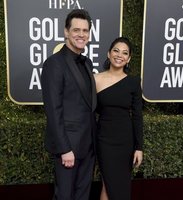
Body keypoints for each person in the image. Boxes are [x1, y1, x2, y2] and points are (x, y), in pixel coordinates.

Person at [41, 9, 97, 200]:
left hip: (89, 145)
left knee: (83, 195)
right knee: (64, 196)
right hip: (68, 147)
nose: (81, 35)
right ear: (66, 32)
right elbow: (53, 110)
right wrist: (65, 149)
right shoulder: (54, 64)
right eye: (76, 30)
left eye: (85, 30)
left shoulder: (87, 63)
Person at [94, 37, 143, 200]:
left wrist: (139, 147)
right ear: (108, 54)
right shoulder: (95, 79)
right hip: (104, 139)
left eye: (125, 53)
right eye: (116, 50)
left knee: (118, 185)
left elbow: (137, 116)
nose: (119, 55)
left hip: (125, 142)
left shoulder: (134, 82)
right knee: (107, 182)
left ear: (128, 59)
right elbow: (88, 111)